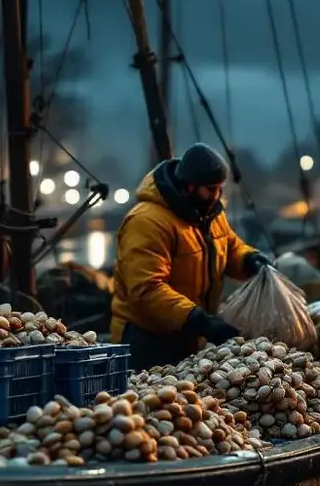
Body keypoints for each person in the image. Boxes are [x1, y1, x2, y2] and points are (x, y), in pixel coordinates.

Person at [110, 142, 272, 369]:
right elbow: (146, 290)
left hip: (189, 335)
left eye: (219, 189)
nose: (217, 196)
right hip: (147, 341)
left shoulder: (209, 213)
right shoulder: (147, 221)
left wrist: (249, 260)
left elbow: (230, 246)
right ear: (189, 187)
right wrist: (200, 321)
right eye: (211, 189)